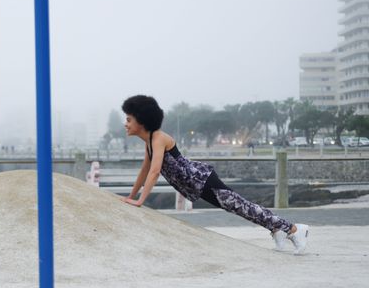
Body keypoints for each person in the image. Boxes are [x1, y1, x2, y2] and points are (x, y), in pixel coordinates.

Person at [120, 95, 308, 254]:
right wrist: (131, 196)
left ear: (141, 120)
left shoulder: (158, 138)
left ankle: (293, 229)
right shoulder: (150, 143)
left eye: (129, 119)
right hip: (196, 185)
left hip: (202, 180)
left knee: (241, 206)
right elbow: (144, 171)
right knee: (237, 207)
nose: (125, 124)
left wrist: (140, 200)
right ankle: (277, 229)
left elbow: (154, 172)